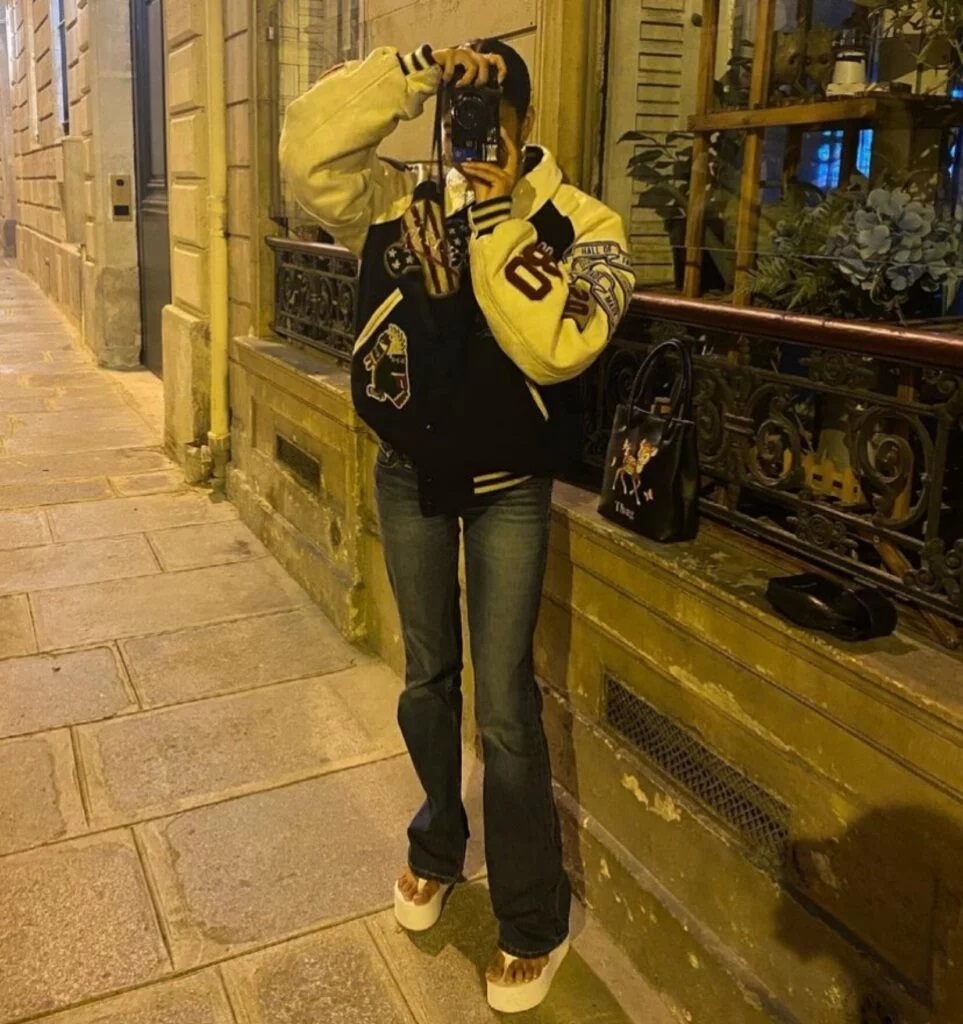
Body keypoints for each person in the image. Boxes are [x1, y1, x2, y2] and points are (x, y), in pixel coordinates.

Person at [280, 38, 634, 1013]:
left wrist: (496, 219)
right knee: (427, 678)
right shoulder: (402, 205)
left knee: (506, 706)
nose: (467, 134)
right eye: (457, 116)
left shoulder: (583, 224)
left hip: (512, 486)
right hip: (409, 475)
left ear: (525, 126)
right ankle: (438, 841)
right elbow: (306, 156)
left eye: (487, 118)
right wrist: (414, 70)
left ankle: (532, 916)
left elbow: (559, 345)